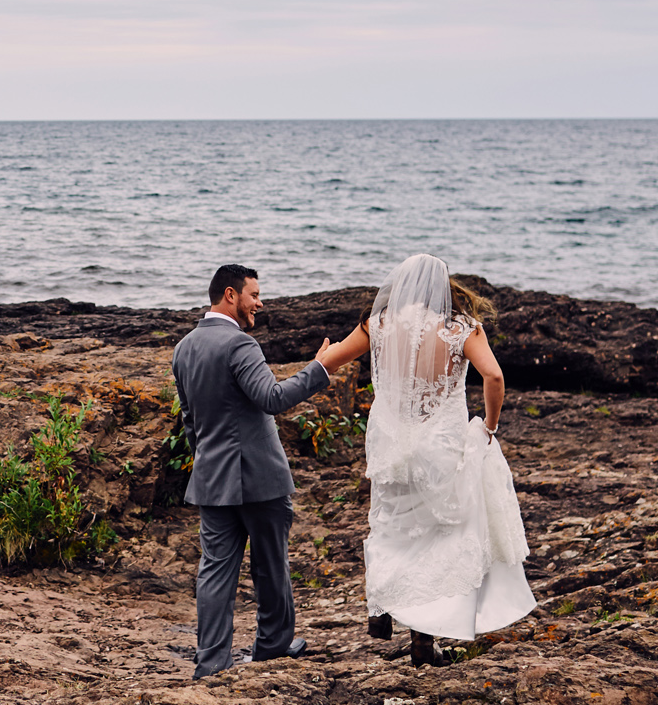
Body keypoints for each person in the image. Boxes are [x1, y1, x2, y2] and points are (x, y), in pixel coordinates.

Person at [316, 253, 535, 665]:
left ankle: (378, 609)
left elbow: (331, 362)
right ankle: (423, 639)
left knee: (391, 526)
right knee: (436, 538)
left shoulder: (378, 324)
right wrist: (489, 425)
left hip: (389, 443)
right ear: (443, 286)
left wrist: (321, 356)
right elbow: (495, 376)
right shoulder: (460, 328)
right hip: (440, 445)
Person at [172, 264, 334, 679]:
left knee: (214, 572)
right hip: (260, 478)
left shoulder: (184, 348)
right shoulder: (240, 345)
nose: (260, 303)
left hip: (212, 479)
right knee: (270, 565)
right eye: (255, 295)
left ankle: (211, 663)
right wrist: (319, 369)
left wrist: (209, 462)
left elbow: (190, 421)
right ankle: (273, 647)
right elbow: (272, 397)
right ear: (231, 295)